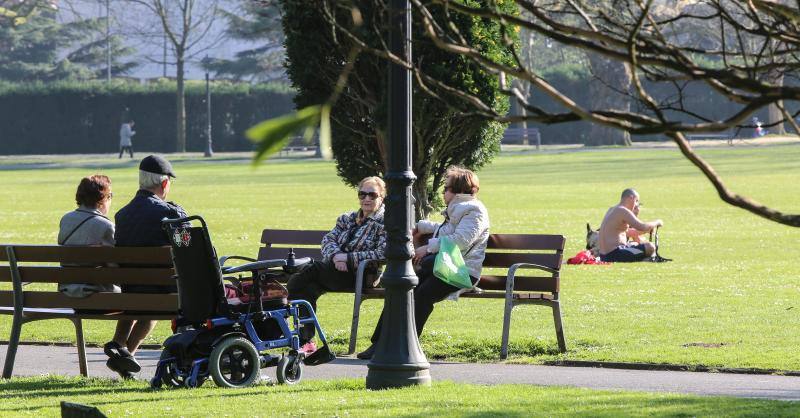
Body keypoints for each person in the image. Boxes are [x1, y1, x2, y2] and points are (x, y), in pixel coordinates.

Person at [358, 166, 490, 360]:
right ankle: (379, 343)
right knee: (402, 289)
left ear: (458, 191)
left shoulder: (474, 210)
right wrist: (421, 226)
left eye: (446, 188)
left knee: (422, 295)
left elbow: (461, 240)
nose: (443, 192)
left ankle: (408, 347)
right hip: (443, 267)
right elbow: (446, 231)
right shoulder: (459, 209)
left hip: (461, 271)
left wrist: (427, 248)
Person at [103, 155, 187, 379]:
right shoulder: (170, 213)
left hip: (131, 291)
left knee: (142, 298)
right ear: (165, 183)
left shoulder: (122, 215)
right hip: (164, 294)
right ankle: (126, 353)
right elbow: (188, 250)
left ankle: (123, 354)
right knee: (157, 299)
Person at [286, 176, 386, 354]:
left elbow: (382, 252)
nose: (367, 199)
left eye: (372, 195)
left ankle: (284, 299)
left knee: (311, 271)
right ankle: (306, 341)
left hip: (362, 275)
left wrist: (348, 259)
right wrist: (336, 257)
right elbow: (328, 240)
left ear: (381, 197)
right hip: (334, 271)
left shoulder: (384, 222)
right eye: (362, 194)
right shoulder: (347, 218)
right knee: (306, 289)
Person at [57, 175, 119, 297]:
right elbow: (115, 267)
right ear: (103, 198)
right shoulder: (106, 226)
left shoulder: (65, 220)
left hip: (67, 292)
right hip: (98, 293)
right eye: (110, 196)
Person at [598, 188, 663, 262]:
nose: (636, 205)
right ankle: (645, 259)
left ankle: (642, 258)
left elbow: (627, 232)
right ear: (631, 197)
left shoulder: (612, 209)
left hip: (604, 255)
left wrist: (645, 231)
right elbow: (642, 226)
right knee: (650, 247)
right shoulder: (622, 210)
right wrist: (657, 222)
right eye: (636, 201)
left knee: (636, 244)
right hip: (614, 255)